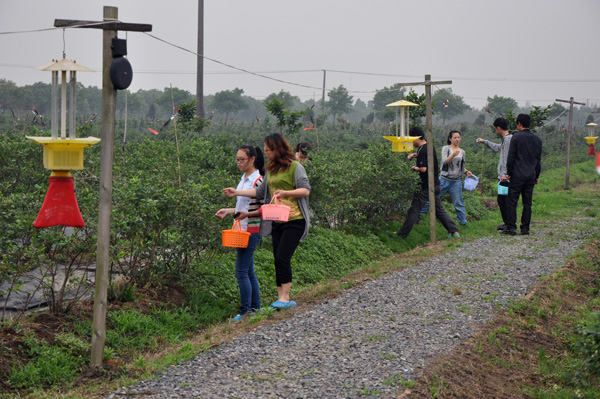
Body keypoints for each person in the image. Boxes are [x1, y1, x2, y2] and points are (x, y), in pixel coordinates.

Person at [225, 133, 310, 310]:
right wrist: (236, 192)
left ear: (277, 149)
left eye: (268, 150)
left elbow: (305, 190)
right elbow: (259, 192)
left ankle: (285, 298)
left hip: (295, 219)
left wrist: (286, 193)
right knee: (277, 258)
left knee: (282, 257)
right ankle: (282, 298)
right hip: (277, 220)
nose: (266, 153)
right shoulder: (270, 170)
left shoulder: (295, 167)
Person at [216, 146, 265, 322]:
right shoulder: (243, 179)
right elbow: (243, 206)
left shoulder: (258, 180)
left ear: (252, 159)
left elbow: (261, 203)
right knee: (249, 271)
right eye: (237, 159)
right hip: (242, 229)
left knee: (241, 271)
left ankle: (245, 312)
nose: (238, 162)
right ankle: (254, 309)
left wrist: (236, 192)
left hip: (251, 229)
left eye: (241, 159)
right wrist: (228, 211)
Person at [396, 126, 460, 239]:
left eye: (411, 139)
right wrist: (416, 155)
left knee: (414, 210)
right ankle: (454, 232)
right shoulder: (428, 147)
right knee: (439, 210)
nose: (411, 142)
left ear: (416, 138)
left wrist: (414, 167)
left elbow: (424, 169)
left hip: (426, 186)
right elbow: (427, 159)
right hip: (435, 183)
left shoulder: (422, 150)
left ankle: (401, 235)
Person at [420, 130, 472, 225]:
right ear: (450, 138)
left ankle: (463, 223)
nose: (457, 139)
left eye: (458, 137)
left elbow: (460, 166)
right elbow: (444, 162)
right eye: (455, 137)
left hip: (456, 181)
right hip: (444, 180)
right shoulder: (446, 149)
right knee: (431, 198)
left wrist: (467, 171)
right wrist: (452, 155)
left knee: (458, 203)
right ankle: (418, 216)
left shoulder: (462, 152)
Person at [503, 114, 542, 236]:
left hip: (517, 175)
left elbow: (511, 157)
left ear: (519, 124)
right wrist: (536, 176)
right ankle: (525, 228)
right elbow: (538, 160)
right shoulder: (537, 140)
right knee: (527, 202)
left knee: (512, 201)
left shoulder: (516, 138)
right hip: (530, 175)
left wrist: (508, 173)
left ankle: (511, 227)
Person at [476, 117, 513, 231]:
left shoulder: (508, 140)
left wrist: (505, 174)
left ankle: (509, 224)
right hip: (504, 176)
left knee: (504, 200)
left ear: (498, 128)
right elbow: (498, 148)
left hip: (504, 177)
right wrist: (484, 142)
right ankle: (507, 223)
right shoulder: (506, 139)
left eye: (495, 129)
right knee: (502, 200)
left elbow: (507, 158)